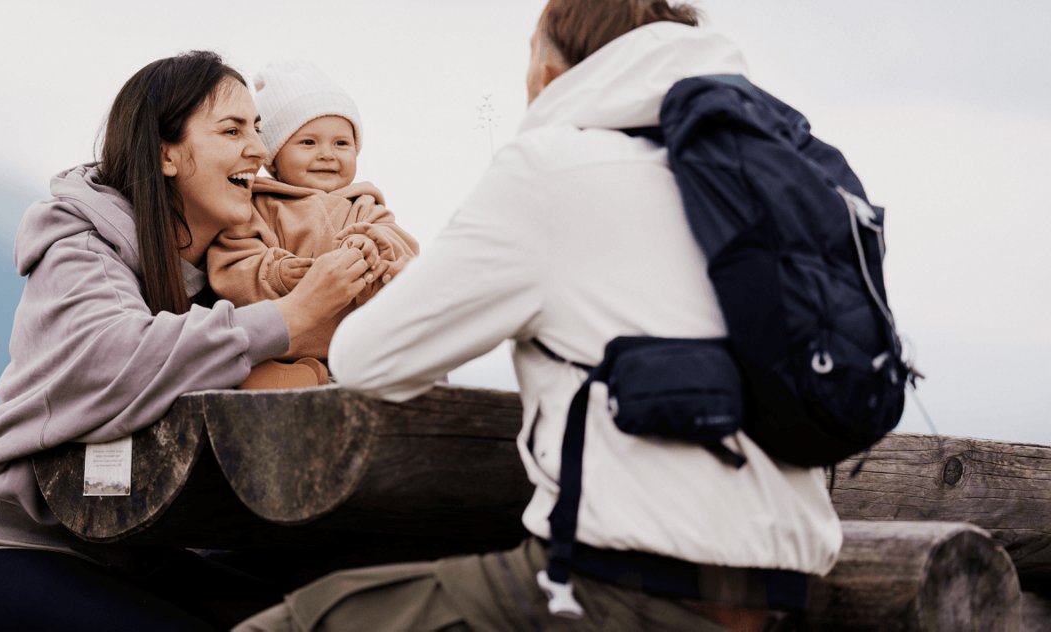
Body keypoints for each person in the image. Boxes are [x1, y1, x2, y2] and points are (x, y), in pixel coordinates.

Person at [235, 2, 842, 631]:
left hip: (620, 585)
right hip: (785, 586)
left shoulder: (552, 169)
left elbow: (366, 359)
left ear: (552, 71)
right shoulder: (764, 173)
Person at [0, 50, 377, 632]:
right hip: (9, 547)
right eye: (233, 130)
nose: (259, 151)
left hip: (143, 546)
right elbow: (120, 355)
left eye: (259, 129)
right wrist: (289, 318)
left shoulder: (238, 265)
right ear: (167, 153)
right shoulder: (81, 244)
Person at [207, 60, 418, 385]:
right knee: (253, 373)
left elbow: (404, 248)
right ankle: (298, 379)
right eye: (308, 143)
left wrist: (373, 246)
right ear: (273, 159)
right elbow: (232, 263)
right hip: (284, 346)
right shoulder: (257, 206)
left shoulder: (363, 206)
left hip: (357, 344)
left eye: (342, 143)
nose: (327, 154)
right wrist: (275, 273)